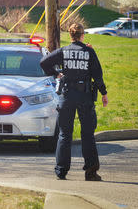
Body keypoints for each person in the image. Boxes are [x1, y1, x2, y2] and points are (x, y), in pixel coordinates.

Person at [40, 23, 108, 181]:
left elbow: (44, 62)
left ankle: (61, 172)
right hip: (85, 97)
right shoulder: (89, 51)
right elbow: (97, 75)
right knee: (88, 135)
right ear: (82, 35)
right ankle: (90, 172)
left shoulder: (64, 51)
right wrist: (103, 93)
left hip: (67, 96)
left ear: (71, 36)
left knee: (64, 134)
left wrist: (56, 74)